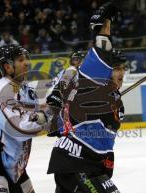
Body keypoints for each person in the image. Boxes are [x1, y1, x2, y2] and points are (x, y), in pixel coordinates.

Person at [46, 2, 128, 193]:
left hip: (85, 162)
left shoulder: (112, 96)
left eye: (123, 68)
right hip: (76, 163)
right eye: (116, 68)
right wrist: (102, 25)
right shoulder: (92, 81)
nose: (121, 72)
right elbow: (102, 48)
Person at [0, 44, 53, 193]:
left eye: (26, 59)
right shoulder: (1, 88)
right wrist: (47, 115)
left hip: (13, 164)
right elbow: (18, 128)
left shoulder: (27, 91)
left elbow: (38, 120)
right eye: (20, 60)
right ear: (7, 67)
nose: (27, 63)